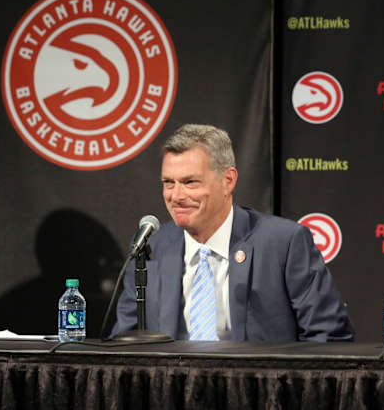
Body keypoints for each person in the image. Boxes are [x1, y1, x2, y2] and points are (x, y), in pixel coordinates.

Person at [112, 124, 354, 342]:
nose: (176, 196)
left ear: (228, 180)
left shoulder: (284, 243)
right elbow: (124, 340)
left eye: (190, 182)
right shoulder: (151, 248)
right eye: (168, 183)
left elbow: (329, 337)